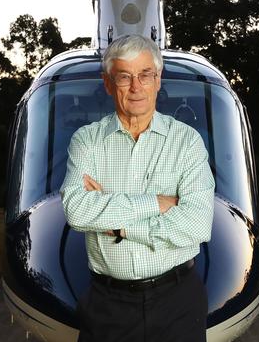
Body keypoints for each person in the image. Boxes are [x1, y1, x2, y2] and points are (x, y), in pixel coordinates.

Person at [60, 34, 215, 342]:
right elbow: (76, 211)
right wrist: (156, 203)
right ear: (107, 83)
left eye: (145, 75)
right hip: (107, 306)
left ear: (158, 80)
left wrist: (118, 226)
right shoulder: (87, 141)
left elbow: (197, 225)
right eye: (124, 77)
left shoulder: (186, 143)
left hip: (177, 302)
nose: (136, 87)